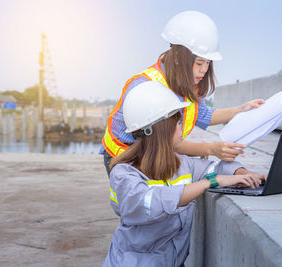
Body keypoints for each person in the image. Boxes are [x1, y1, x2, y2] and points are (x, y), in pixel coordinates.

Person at [103, 81, 266, 267]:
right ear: (161, 129)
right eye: (177, 122)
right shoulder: (123, 173)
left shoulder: (180, 163)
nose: (181, 128)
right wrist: (209, 182)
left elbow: (216, 169)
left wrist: (245, 173)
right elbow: (149, 202)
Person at [100, 10, 264, 175]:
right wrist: (211, 149)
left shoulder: (186, 83)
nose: (204, 70)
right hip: (124, 157)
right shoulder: (148, 86)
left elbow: (203, 115)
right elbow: (168, 141)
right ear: (178, 57)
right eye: (199, 63)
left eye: (208, 63)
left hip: (154, 152)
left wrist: (241, 110)